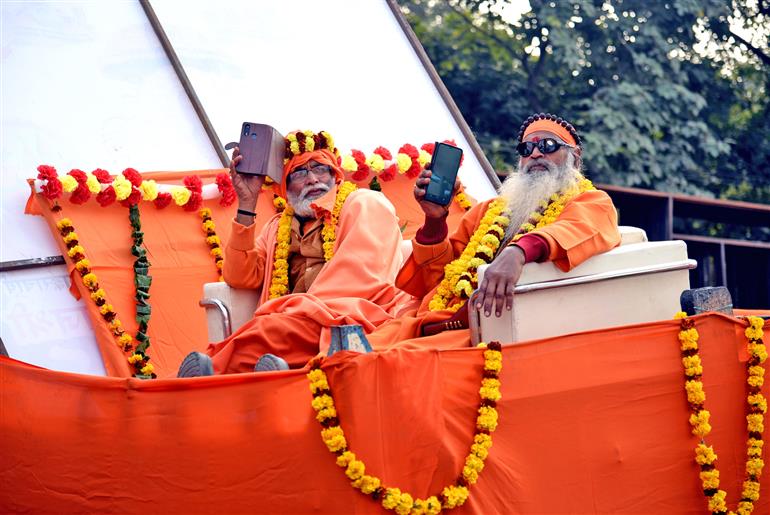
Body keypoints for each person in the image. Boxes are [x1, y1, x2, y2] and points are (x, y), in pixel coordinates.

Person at [367, 113, 621, 349]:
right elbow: (439, 278)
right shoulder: (489, 210)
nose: (534, 154)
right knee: (348, 356)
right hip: (434, 319)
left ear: (574, 157)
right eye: (526, 148)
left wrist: (516, 254)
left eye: (547, 146)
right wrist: (435, 220)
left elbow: (576, 229)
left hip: (486, 330)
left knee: (380, 363)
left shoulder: (591, 201)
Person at [179, 130, 411, 376]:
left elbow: (360, 277)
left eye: (320, 169)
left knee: (267, 332)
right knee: (267, 333)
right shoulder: (278, 227)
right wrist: (247, 204)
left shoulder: (364, 203)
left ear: (335, 175)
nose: (312, 179)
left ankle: (208, 374)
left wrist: (293, 311)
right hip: (290, 325)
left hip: (350, 319)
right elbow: (239, 276)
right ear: (285, 187)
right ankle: (248, 372)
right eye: (300, 173)